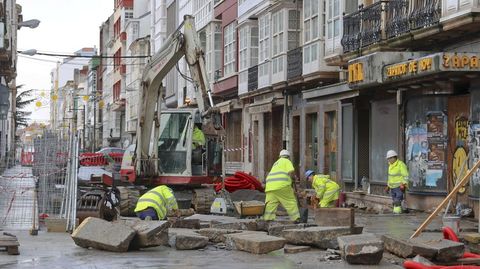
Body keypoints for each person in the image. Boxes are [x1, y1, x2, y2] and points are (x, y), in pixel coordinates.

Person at [263, 150, 301, 222]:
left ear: (280, 156)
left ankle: (268, 219)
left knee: (270, 203)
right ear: (288, 157)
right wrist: (293, 178)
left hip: (270, 186)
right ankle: (296, 218)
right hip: (282, 185)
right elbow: (291, 171)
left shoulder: (275, 163)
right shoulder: (286, 161)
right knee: (290, 201)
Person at [385, 150, 409, 214]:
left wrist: (403, 184)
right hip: (393, 187)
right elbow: (390, 177)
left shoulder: (401, 165)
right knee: (395, 200)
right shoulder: (390, 166)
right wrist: (388, 186)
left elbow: (405, 175)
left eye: (389, 158)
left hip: (399, 187)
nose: (388, 160)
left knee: (397, 201)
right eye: (388, 159)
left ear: (394, 157)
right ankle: (403, 210)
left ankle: (397, 215)